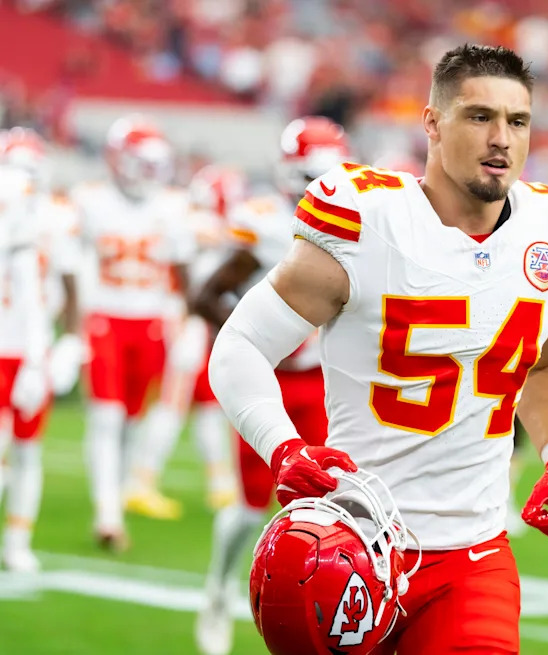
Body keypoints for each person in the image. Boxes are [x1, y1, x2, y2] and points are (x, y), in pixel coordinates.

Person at [208, 44, 548, 654]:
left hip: (475, 557)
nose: (501, 138)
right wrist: (282, 449)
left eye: (517, 121)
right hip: (351, 549)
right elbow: (242, 345)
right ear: (433, 124)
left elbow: (547, 358)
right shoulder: (370, 223)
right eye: (479, 116)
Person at [194, 117, 348, 655]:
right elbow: (206, 294)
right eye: (311, 175)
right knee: (250, 504)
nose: (320, 188)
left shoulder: (358, 220)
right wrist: (246, 344)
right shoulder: (263, 223)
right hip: (271, 384)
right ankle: (218, 590)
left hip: (328, 386)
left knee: (340, 503)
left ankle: (329, 616)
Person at [71, 116, 192, 550]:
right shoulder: (90, 201)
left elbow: (181, 273)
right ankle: (107, 513)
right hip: (104, 315)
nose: (148, 173)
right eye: (141, 163)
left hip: (151, 320)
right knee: (106, 418)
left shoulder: (173, 206)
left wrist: (186, 323)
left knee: (131, 420)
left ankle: (117, 502)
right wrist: (71, 331)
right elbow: (70, 267)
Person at [125, 165, 247, 519]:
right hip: (187, 323)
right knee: (173, 404)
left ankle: (220, 481)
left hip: (198, 324)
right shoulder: (198, 225)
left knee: (210, 405)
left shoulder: (194, 221)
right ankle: (140, 481)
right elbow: (189, 280)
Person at [0, 147, 51, 572]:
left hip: (25, 349)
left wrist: (41, 357)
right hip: (14, 348)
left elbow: (40, 296)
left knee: (27, 449)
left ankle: (18, 538)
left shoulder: (51, 221)